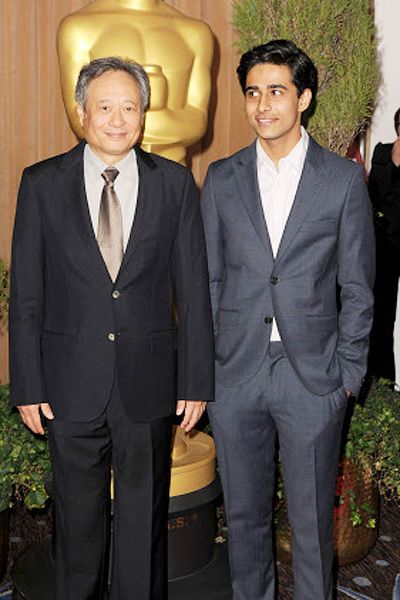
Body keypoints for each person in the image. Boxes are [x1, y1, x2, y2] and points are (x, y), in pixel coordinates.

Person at [9, 56, 214, 600]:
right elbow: (27, 294)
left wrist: (195, 379)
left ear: (144, 114)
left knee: (144, 530)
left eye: (130, 107)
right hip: (69, 384)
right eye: (105, 107)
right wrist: (27, 384)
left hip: (147, 384)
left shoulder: (173, 184)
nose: (118, 120)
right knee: (77, 529)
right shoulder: (42, 183)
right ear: (81, 112)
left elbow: (193, 290)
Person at [200, 40, 375, 599]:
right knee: (245, 524)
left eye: (276, 91)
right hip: (237, 375)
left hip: (313, 378)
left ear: (303, 98)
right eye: (253, 92)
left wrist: (347, 376)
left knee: (311, 529)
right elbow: (208, 282)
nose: (262, 105)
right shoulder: (222, 179)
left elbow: (358, 286)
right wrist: (208, 374)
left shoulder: (343, 181)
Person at [57, 0, 213, 164]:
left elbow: (198, 122)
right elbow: (79, 118)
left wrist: (120, 114)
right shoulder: (79, 28)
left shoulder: (195, 33)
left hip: (172, 175)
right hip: (105, 174)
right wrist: (158, 117)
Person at [368, 108, 400, 383]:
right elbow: (375, 193)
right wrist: (395, 159)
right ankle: (382, 380)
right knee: (382, 317)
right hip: (385, 248)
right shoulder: (382, 152)